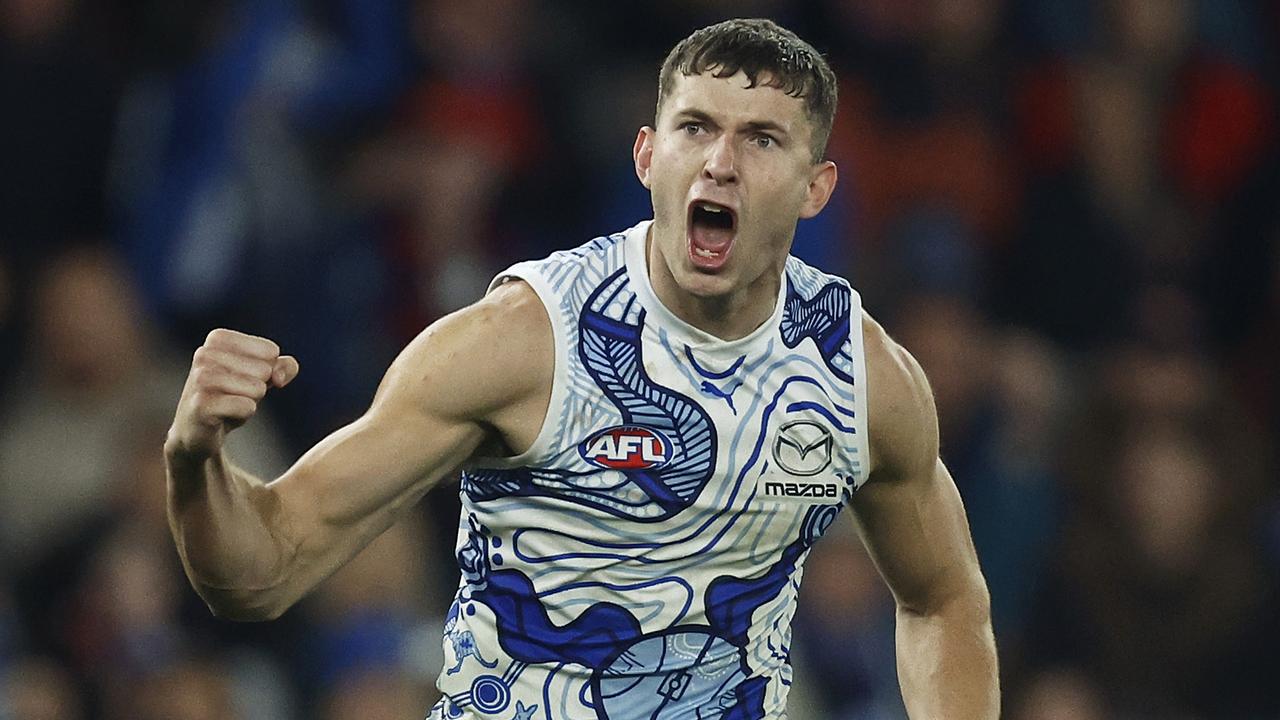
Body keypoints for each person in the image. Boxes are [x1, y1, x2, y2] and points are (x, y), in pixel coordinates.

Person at [165, 18, 998, 719]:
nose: (720, 163)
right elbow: (261, 572)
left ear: (815, 189)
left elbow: (945, 599)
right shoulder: (523, 343)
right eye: (695, 128)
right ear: (647, 157)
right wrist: (195, 459)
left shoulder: (858, 372)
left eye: (762, 139)